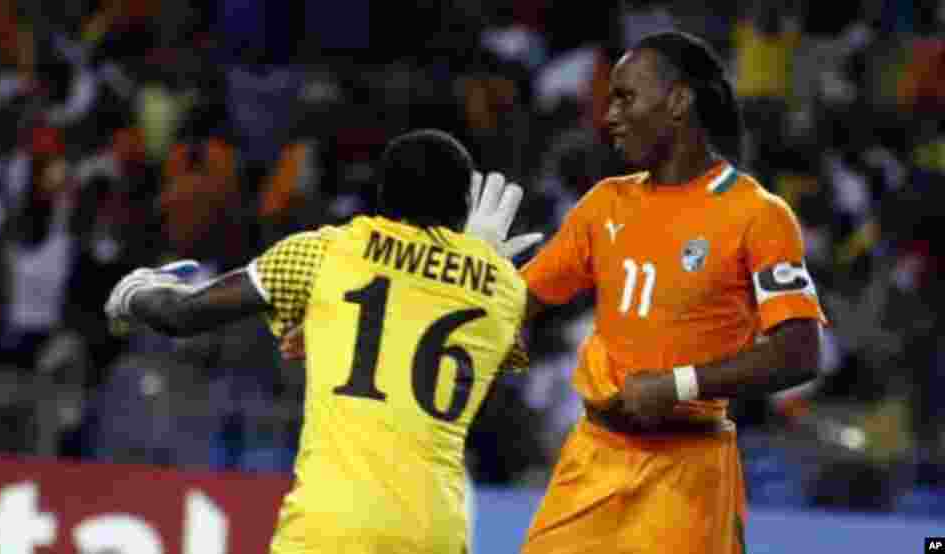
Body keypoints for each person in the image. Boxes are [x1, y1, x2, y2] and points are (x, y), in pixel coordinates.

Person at [104, 128, 541, 554]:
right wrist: (479, 264)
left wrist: (135, 291)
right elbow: (481, 361)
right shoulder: (502, 289)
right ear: (463, 208)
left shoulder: (327, 252)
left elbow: (182, 315)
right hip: (434, 530)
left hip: (330, 526)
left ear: (383, 197)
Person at [517, 31, 827, 554]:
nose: (609, 115)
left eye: (625, 97)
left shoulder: (758, 214)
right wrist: (496, 315)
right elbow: (520, 300)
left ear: (679, 101)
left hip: (689, 474)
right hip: (591, 460)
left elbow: (800, 353)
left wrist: (679, 384)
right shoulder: (604, 204)